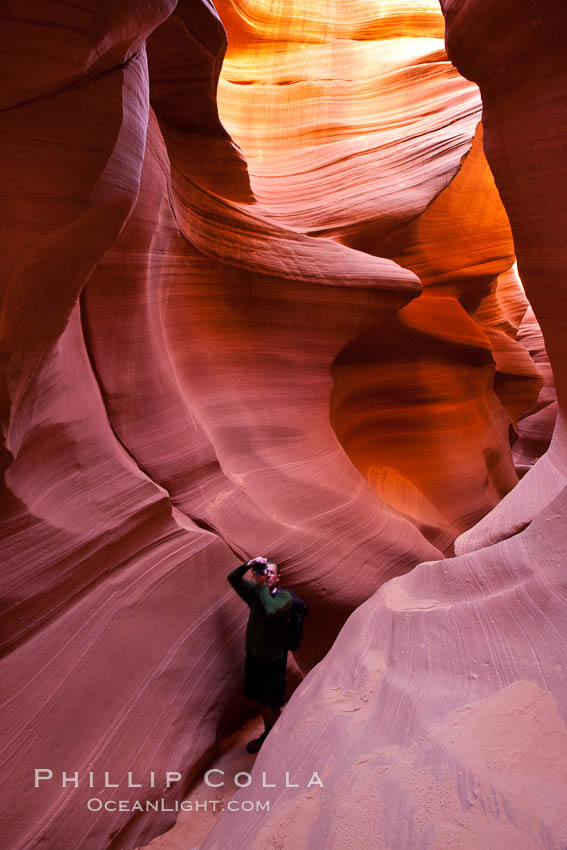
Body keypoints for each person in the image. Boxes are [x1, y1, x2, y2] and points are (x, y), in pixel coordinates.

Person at [227, 556, 292, 753]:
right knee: (262, 702)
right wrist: (248, 564)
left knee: (271, 702)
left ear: (278, 577)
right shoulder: (256, 592)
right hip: (255, 659)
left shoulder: (284, 598)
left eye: (271, 573)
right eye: (265, 572)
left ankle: (279, 738)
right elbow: (233, 578)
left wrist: (262, 586)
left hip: (272, 661)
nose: (267, 575)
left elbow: (271, 610)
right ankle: (271, 733)